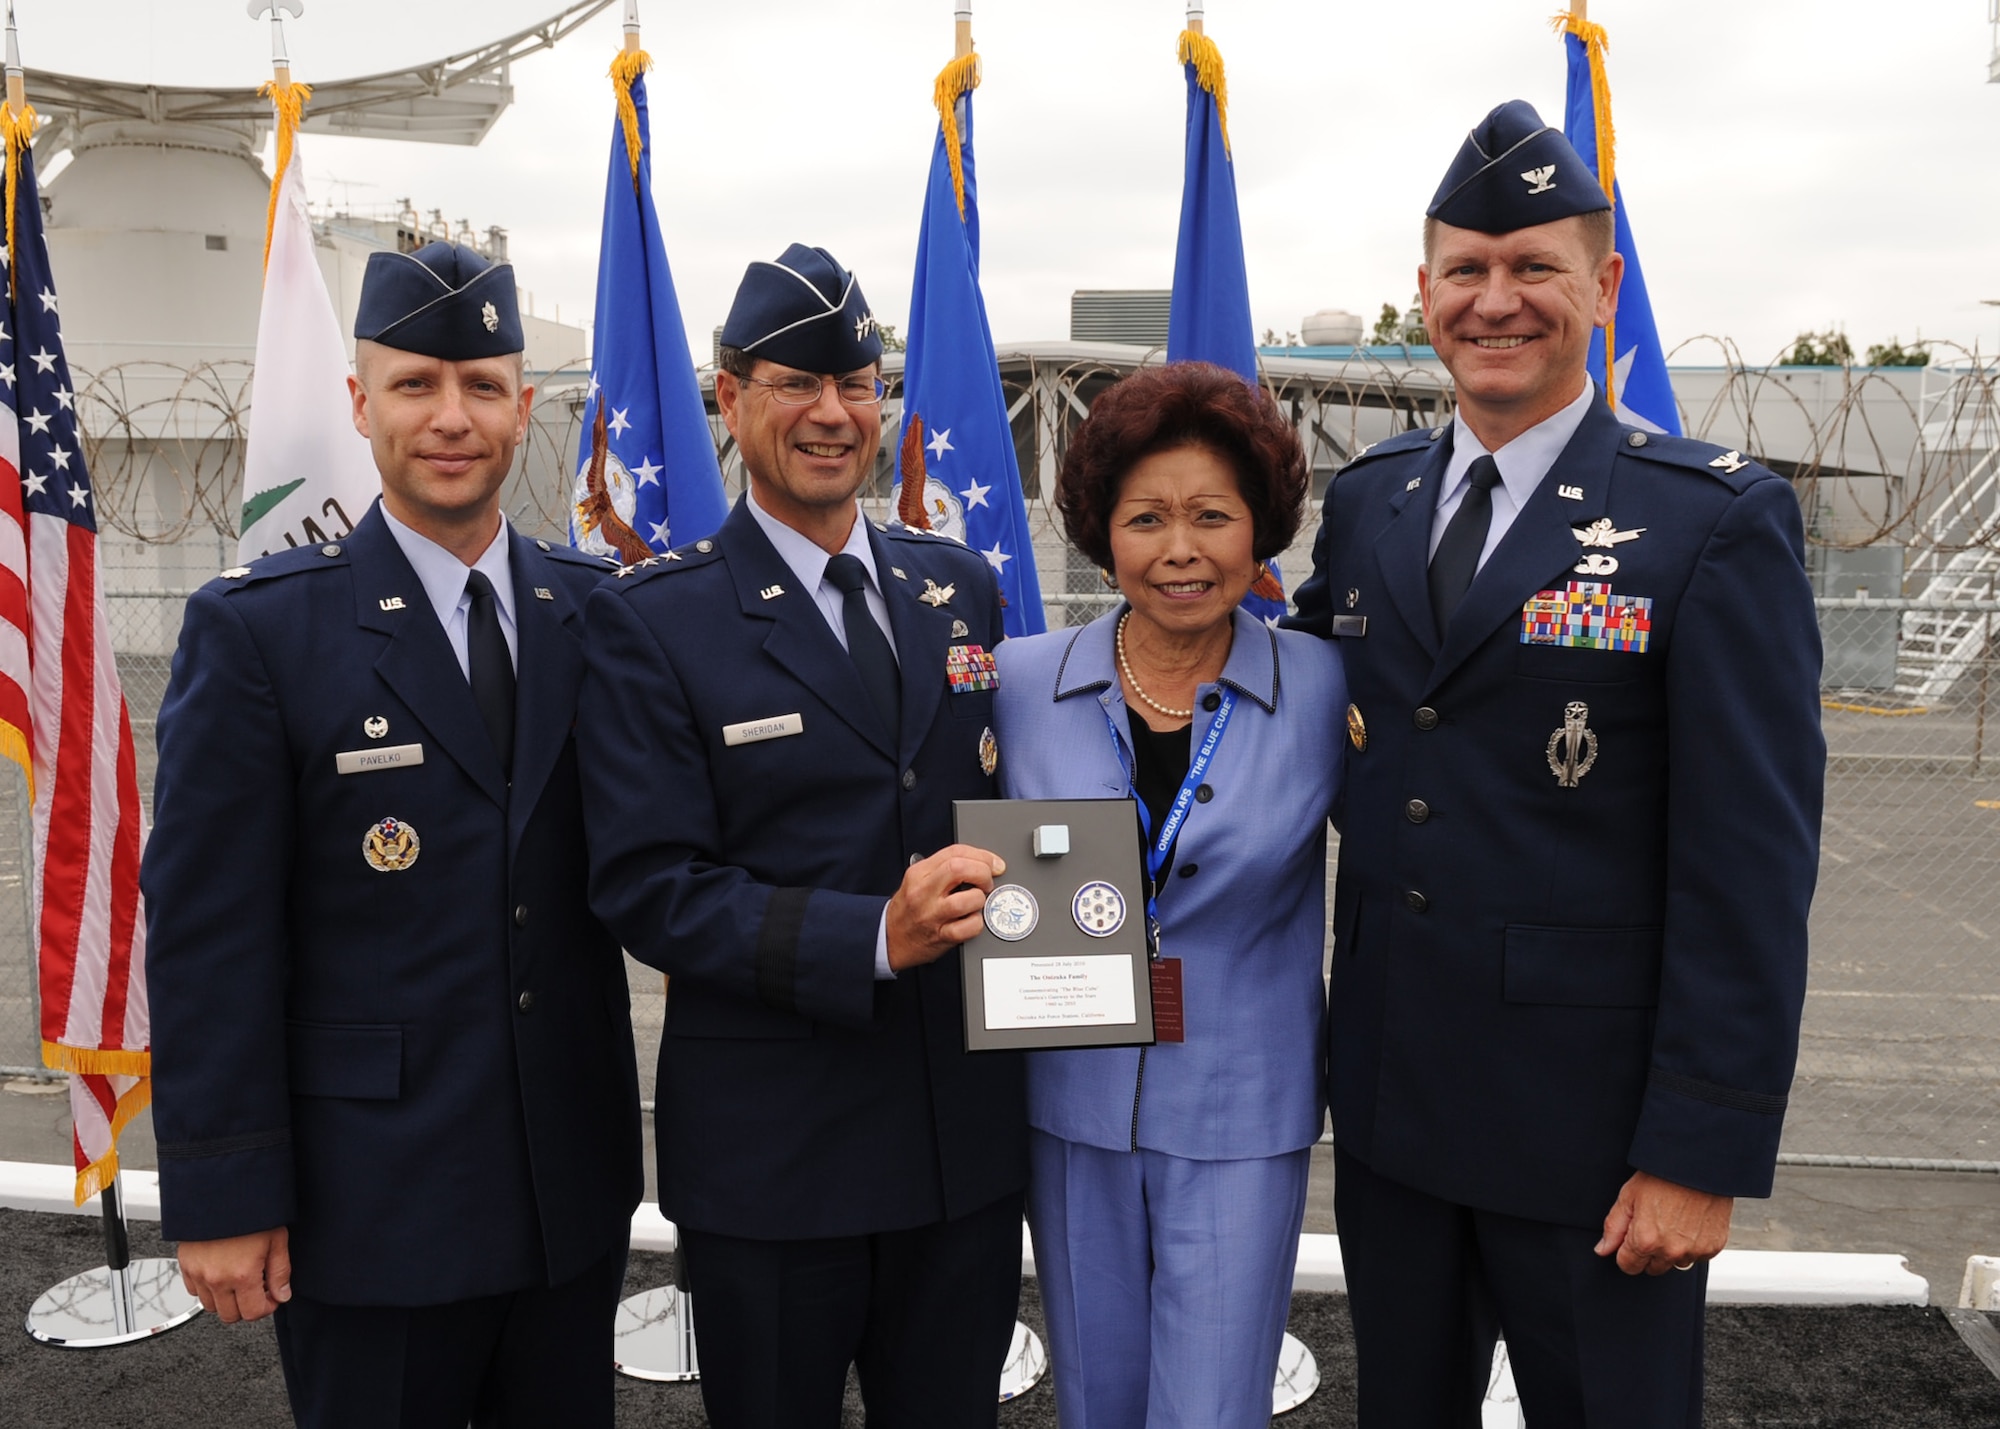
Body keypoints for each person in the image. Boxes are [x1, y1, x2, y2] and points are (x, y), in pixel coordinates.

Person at [1287, 100, 1826, 1426]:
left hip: (1592, 1142)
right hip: (1399, 1115)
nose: (1497, 299)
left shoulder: (1709, 521)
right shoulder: (1370, 502)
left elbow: (1749, 866)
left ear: (1604, 283)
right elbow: (1293, 714)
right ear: (1422, 292)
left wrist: (1698, 1150)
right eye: (1466, 268)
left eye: (1535, 266)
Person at [143, 242, 643, 1429]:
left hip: (565, 1194)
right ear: (359, 403)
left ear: (526, 407)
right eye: (416, 385)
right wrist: (221, 1189)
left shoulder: (595, 614)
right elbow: (210, 938)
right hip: (369, 1203)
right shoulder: (260, 633)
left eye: (481, 386)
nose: (451, 417)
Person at [578, 242, 1026, 1429]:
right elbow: (649, 884)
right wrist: (871, 934)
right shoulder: (653, 620)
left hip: (957, 1153)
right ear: (730, 398)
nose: (833, 414)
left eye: (858, 383)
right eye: (794, 383)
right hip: (779, 1164)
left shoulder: (956, 587)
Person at [992, 361, 1344, 1427]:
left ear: (1260, 527)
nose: (1179, 549)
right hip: (1067, 1102)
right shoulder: (1016, 683)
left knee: (1208, 1409)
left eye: (1210, 516)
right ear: (1102, 531)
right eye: (1145, 517)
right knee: (1095, 1397)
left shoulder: (1325, 688)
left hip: (1243, 1109)